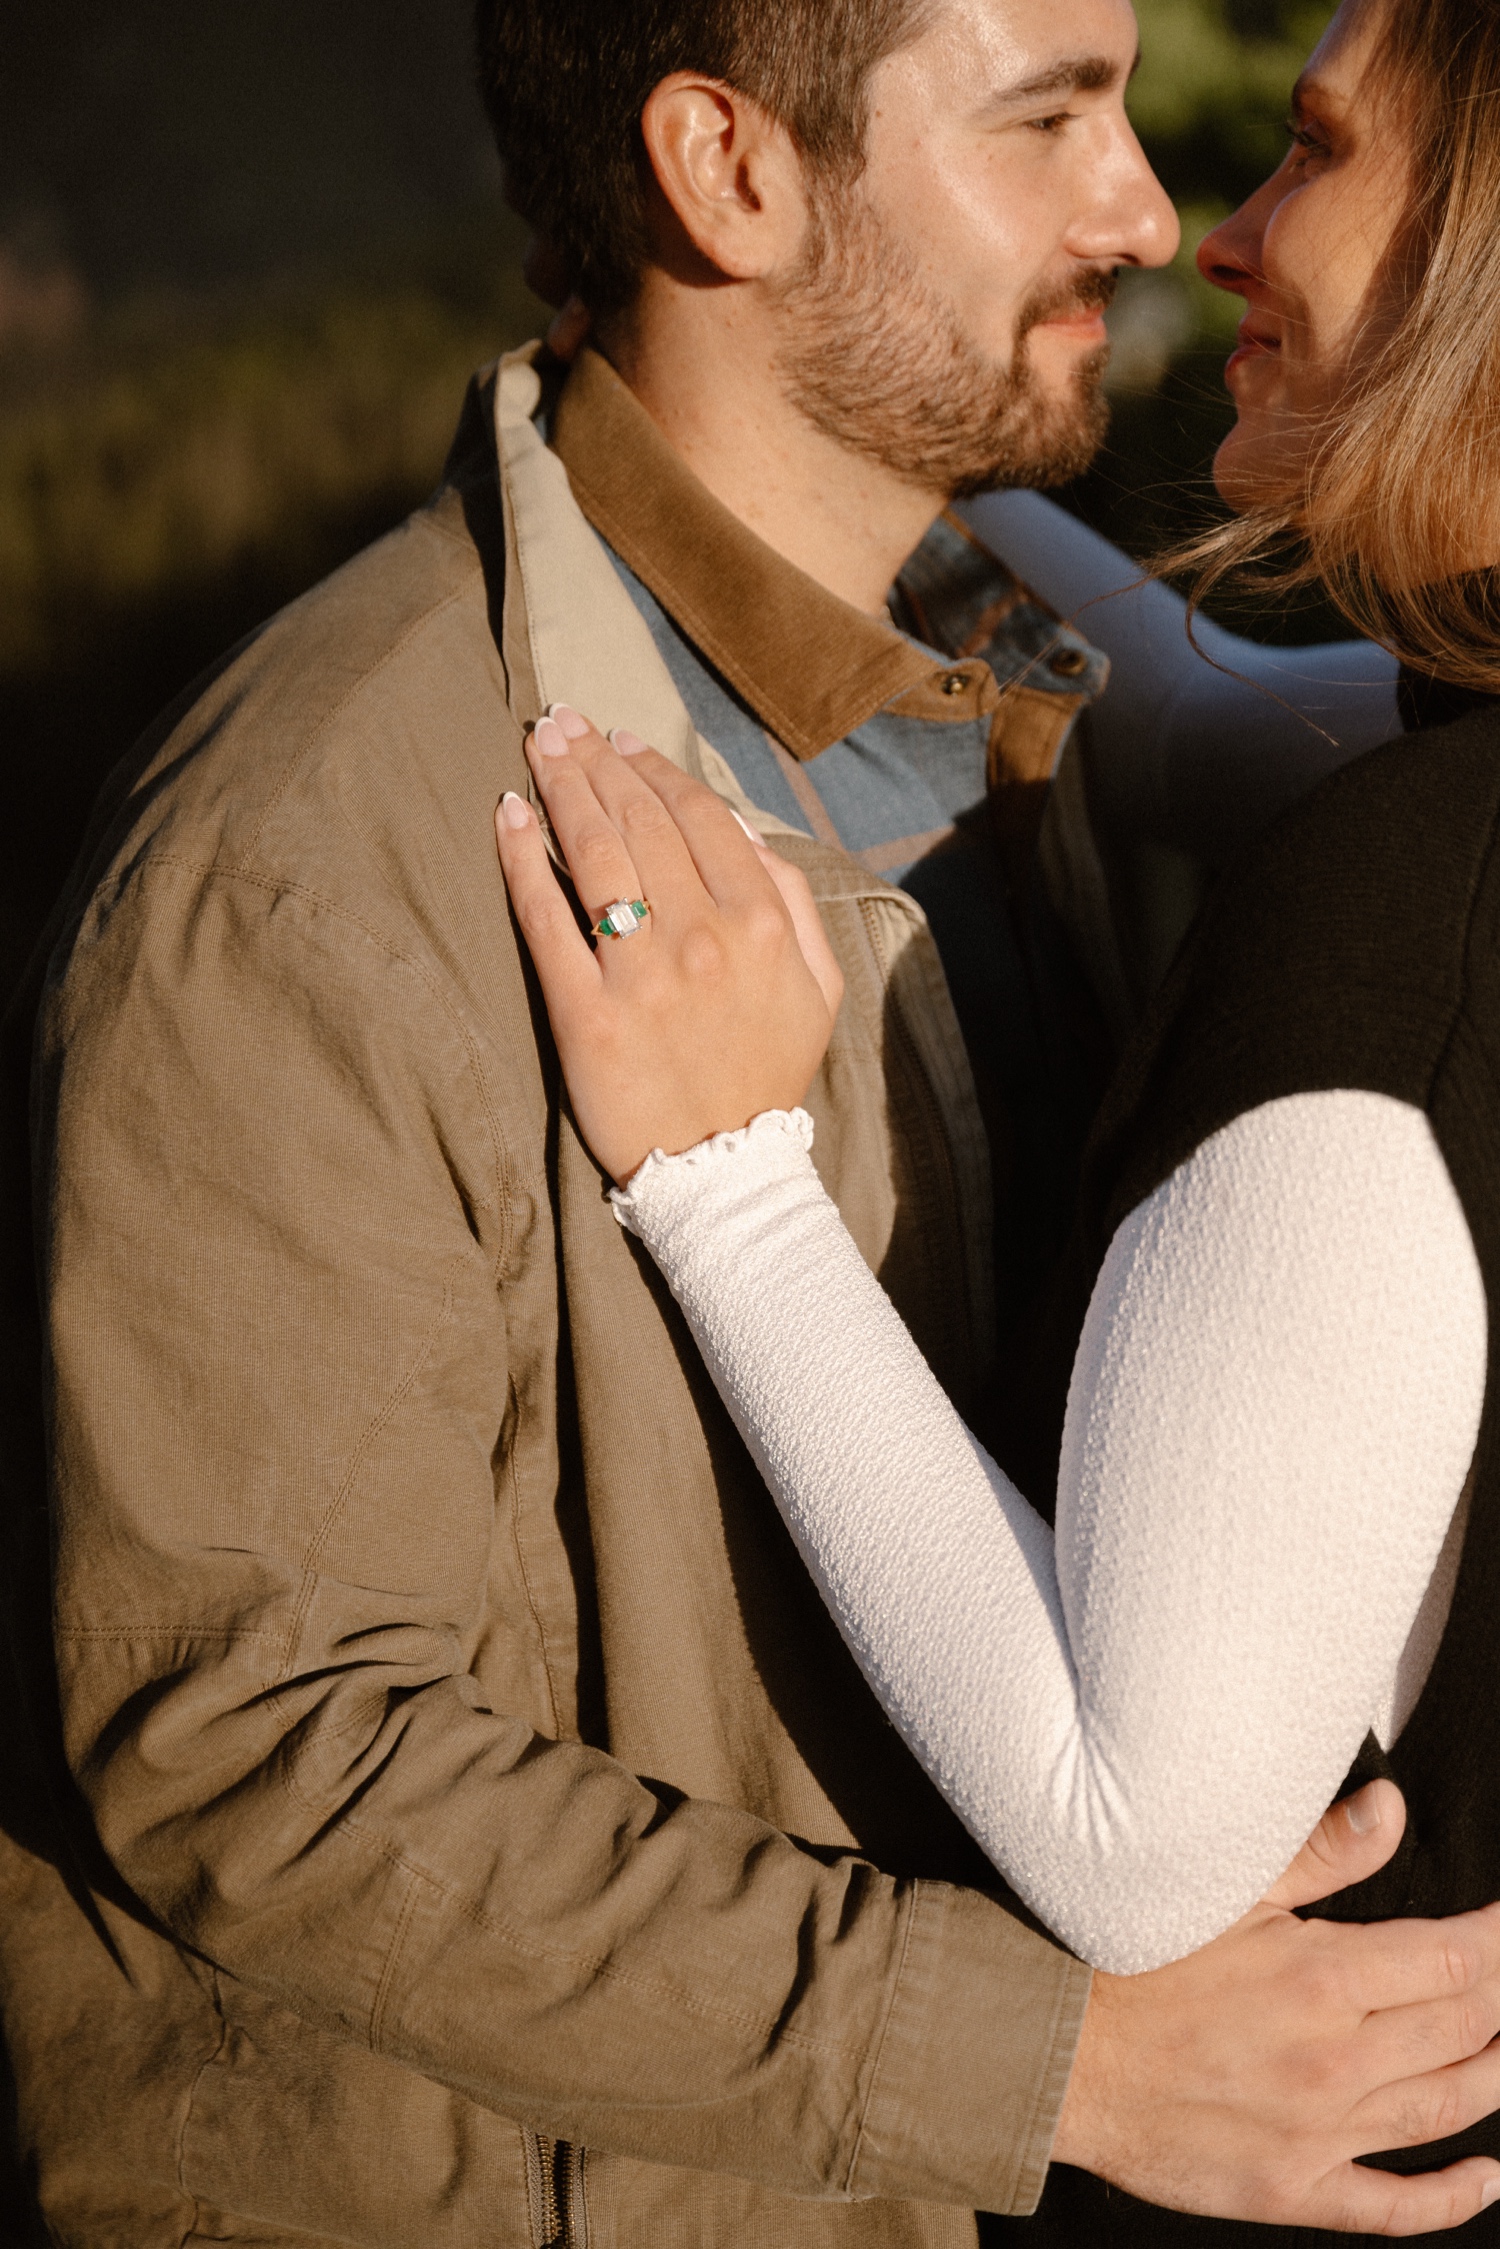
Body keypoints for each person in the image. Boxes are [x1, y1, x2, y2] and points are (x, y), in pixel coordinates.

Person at [3, 0, 1497, 2243]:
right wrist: (1051, 2061)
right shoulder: (321, 870)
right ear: (729, 173)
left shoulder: (1021, 708)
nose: (1149, 211)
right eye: (1048, 122)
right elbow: (261, 1751)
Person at [490, 0, 1500, 2240]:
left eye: (1312, 151)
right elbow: (1220, 713)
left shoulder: (1410, 916)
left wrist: (730, 1193)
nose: (1204, 230)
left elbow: (1133, 1841)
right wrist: (792, 463)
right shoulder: (1418, 789)